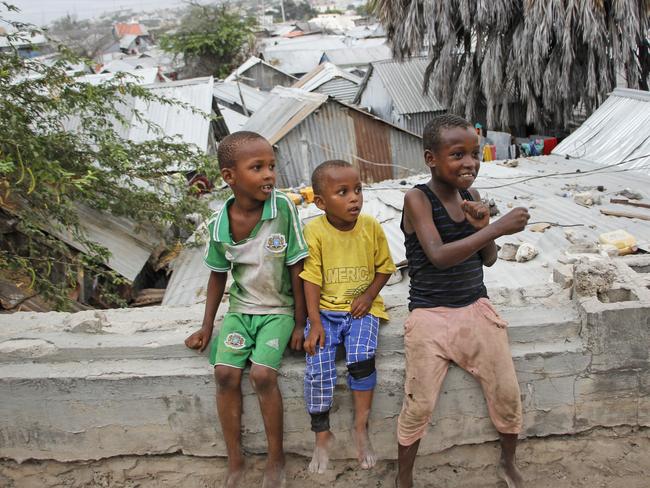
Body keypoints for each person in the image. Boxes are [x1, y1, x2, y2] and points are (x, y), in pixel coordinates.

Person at [396, 115, 530, 488]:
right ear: (431, 158)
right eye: (457, 154)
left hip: (474, 306)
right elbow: (437, 256)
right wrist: (497, 227)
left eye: (474, 153)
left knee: (506, 392)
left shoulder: (471, 197)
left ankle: (508, 463)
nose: (469, 162)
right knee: (419, 403)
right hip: (429, 314)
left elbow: (488, 259)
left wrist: (483, 225)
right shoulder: (417, 199)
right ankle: (403, 476)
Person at [184, 131, 308, 488]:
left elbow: (297, 267)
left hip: (279, 310)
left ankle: (275, 457)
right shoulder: (218, 225)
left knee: (263, 376)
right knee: (224, 374)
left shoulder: (283, 209)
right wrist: (206, 327)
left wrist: (300, 323)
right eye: (257, 167)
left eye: (272, 166)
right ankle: (235, 460)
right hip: (241, 311)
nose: (269, 174)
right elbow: (217, 277)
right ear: (229, 177)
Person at [300, 160, 397, 474]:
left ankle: (360, 427)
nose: (354, 198)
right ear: (321, 202)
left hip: (362, 310)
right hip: (325, 313)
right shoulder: (313, 231)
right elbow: (310, 278)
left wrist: (368, 297)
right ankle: (321, 433)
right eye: (343, 192)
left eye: (357, 189)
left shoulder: (370, 227)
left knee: (361, 358)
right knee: (317, 362)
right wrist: (314, 322)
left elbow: (384, 267)